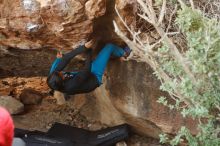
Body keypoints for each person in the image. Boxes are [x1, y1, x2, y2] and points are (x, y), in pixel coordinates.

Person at [47, 40, 131, 96]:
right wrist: (88, 51)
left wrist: (83, 47)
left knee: (99, 58)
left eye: (59, 72)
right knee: (109, 47)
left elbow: (66, 58)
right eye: (61, 75)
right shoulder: (71, 86)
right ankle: (125, 53)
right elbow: (86, 71)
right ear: (62, 81)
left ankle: (115, 55)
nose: (61, 72)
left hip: (83, 75)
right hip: (94, 77)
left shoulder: (53, 76)